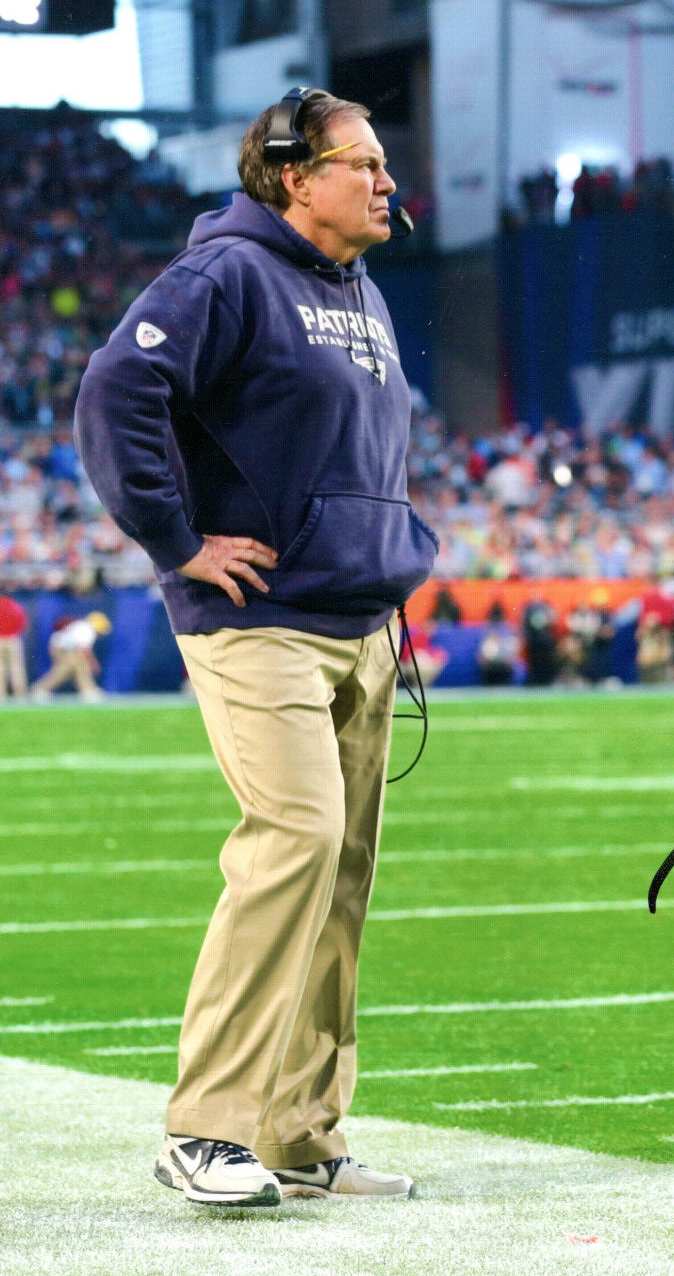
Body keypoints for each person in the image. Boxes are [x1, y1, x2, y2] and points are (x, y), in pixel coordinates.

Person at [74, 88, 431, 1206]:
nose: (384, 180)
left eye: (381, 164)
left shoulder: (359, 287)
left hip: (361, 620)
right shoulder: (225, 275)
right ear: (290, 175)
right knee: (296, 835)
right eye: (361, 163)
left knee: (343, 873)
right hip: (261, 618)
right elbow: (115, 389)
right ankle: (206, 1127)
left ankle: (301, 1129)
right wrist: (178, 541)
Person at [30, 611, 111, 701]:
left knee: (80, 668)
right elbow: (84, 649)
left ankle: (88, 690)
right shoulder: (88, 629)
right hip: (64, 649)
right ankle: (40, 689)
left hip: (63, 648)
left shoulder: (83, 626)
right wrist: (93, 663)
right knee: (63, 671)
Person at [0, 591, 28, 699]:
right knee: (16, 668)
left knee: (0, 668)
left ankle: (1, 694)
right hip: (13, 639)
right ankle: (20, 694)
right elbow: (23, 624)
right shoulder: (16, 606)